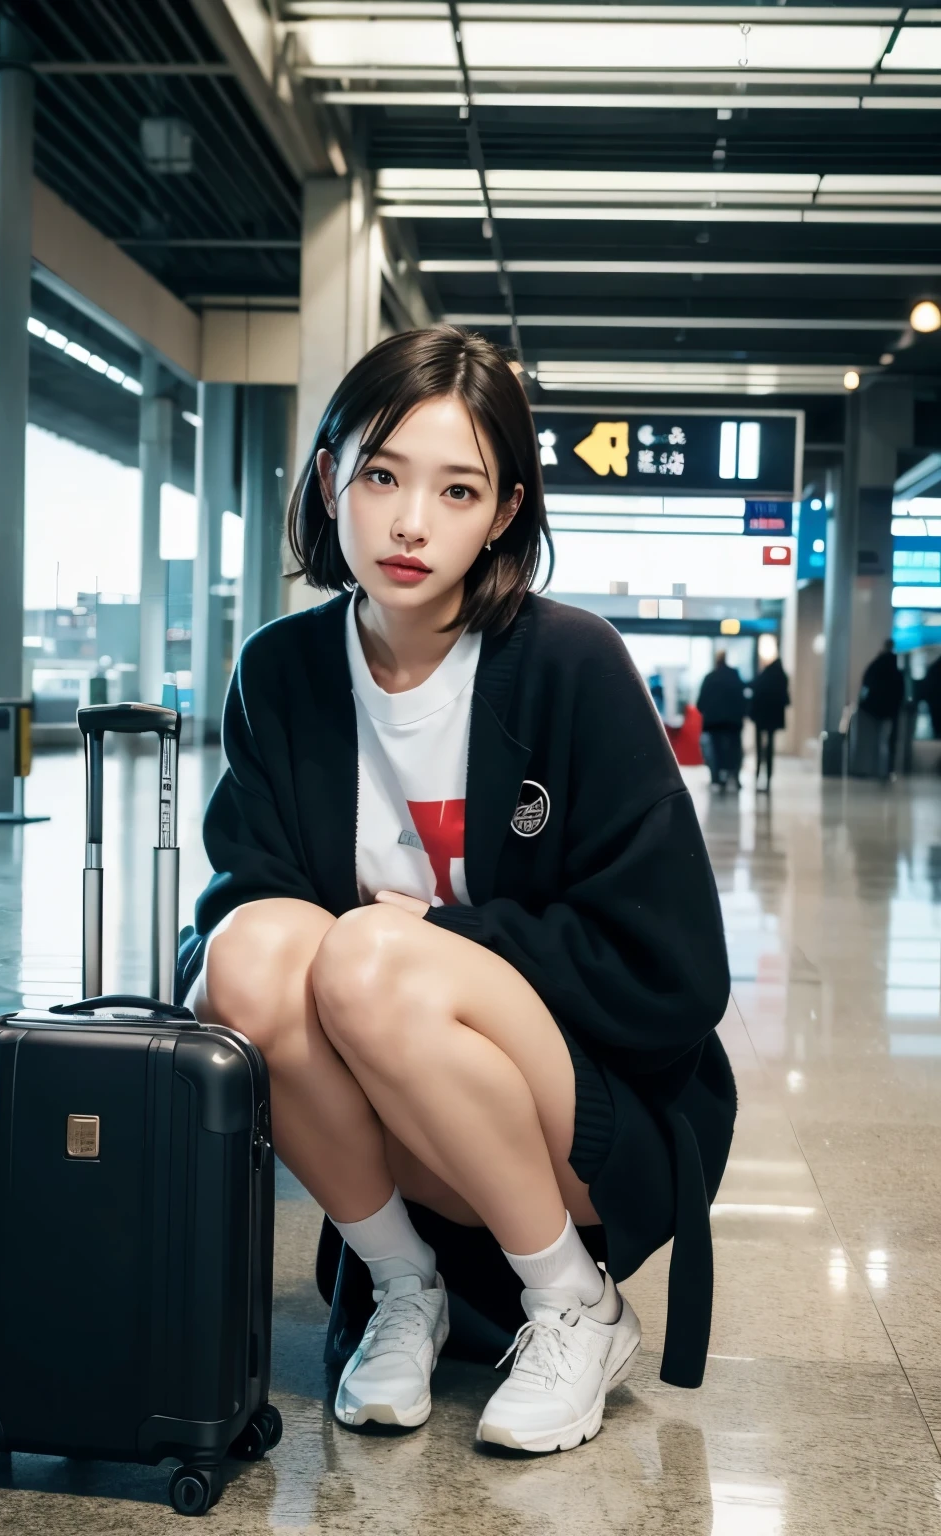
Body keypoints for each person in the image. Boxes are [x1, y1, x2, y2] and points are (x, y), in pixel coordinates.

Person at [179, 327, 734, 1456]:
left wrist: (441, 936)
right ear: (330, 475)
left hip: (594, 1117)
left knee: (369, 957)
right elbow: (250, 911)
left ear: (503, 514)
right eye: (381, 474)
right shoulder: (282, 674)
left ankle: (575, 1301)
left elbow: (672, 970)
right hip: (393, 1114)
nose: (410, 522)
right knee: (241, 955)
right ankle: (403, 1287)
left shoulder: (569, 664)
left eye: (458, 488)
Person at [696, 650, 746, 791]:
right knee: (734, 749)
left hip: (714, 722)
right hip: (733, 722)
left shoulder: (710, 678)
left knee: (715, 750)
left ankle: (716, 778)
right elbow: (742, 699)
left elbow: (700, 703)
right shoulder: (735, 676)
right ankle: (734, 777)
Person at [859, 638, 905, 778]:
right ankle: (886, 769)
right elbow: (900, 690)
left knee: (874, 740)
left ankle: (873, 768)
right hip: (890, 709)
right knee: (888, 741)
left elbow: (866, 682)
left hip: (873, 709)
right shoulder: (895, 667)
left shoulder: (876, 665)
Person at [749, 655, 790, 793]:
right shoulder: (781, 677)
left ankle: (758, 776)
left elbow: (755, 692)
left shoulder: (764, 676)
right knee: (770, 748)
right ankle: (768, 780)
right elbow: (786, 699)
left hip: (760, 718)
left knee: (759, 749)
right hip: (773, 718)